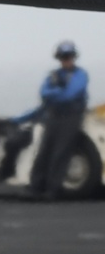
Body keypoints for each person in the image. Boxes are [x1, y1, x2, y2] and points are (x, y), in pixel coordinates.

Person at [17, 40, 89, 200]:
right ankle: (36, 187)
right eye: (64, 57)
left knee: (60, 153)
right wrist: (60, 93)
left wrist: (56, 93)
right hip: (54, 117)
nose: (66, 60)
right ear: (59, 58)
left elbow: (71, 94)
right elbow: (44, 93)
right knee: (44, 151)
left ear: (74, 57)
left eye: (69, 56)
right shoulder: (53, 75)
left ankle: (53, 190)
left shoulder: (80, 75)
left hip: (71, 118)